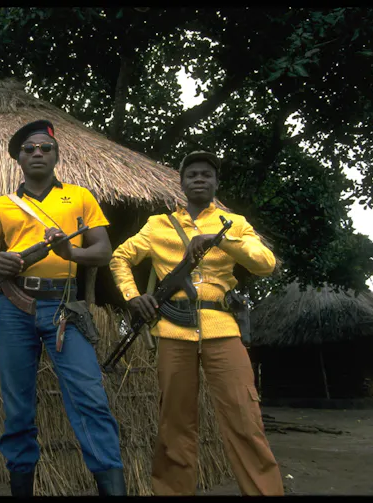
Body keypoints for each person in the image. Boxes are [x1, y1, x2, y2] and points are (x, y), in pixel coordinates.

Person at [0, 120, 126, 496]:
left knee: (90, 397)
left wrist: (71, 252)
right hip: (14, 307)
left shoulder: (80, 197)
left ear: (56, 155)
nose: (37, 153)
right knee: (17, 404)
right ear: (18, 158)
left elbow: (103, 251)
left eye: (45, 148)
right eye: (29, 149)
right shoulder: (1, 205)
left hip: (64, 306)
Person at [109, 151, 284, 495]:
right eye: (192, 174)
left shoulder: (235, 223)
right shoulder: (157, 225)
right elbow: (120, 257)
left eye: (206, 174)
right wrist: (132, 295)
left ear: (216, 183)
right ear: (182, 184)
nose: (199, 179)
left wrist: (221, 240)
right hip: (173, 332)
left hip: (223, 329)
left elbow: (265, 263)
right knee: (174, 425)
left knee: (245, 418)